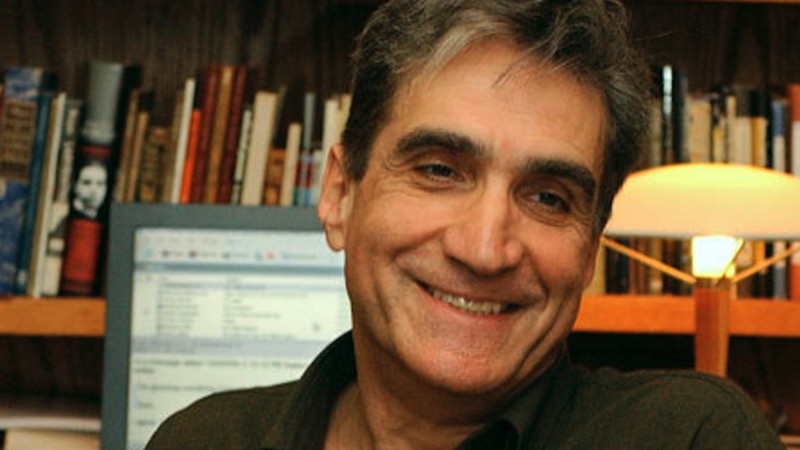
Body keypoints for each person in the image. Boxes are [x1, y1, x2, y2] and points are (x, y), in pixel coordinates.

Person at [145, 1, 785, 449]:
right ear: (339, 193)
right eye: (439, 170)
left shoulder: (689, 436)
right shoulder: (203, 440)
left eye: (549, 198)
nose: (485, 249)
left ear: (591, 246)